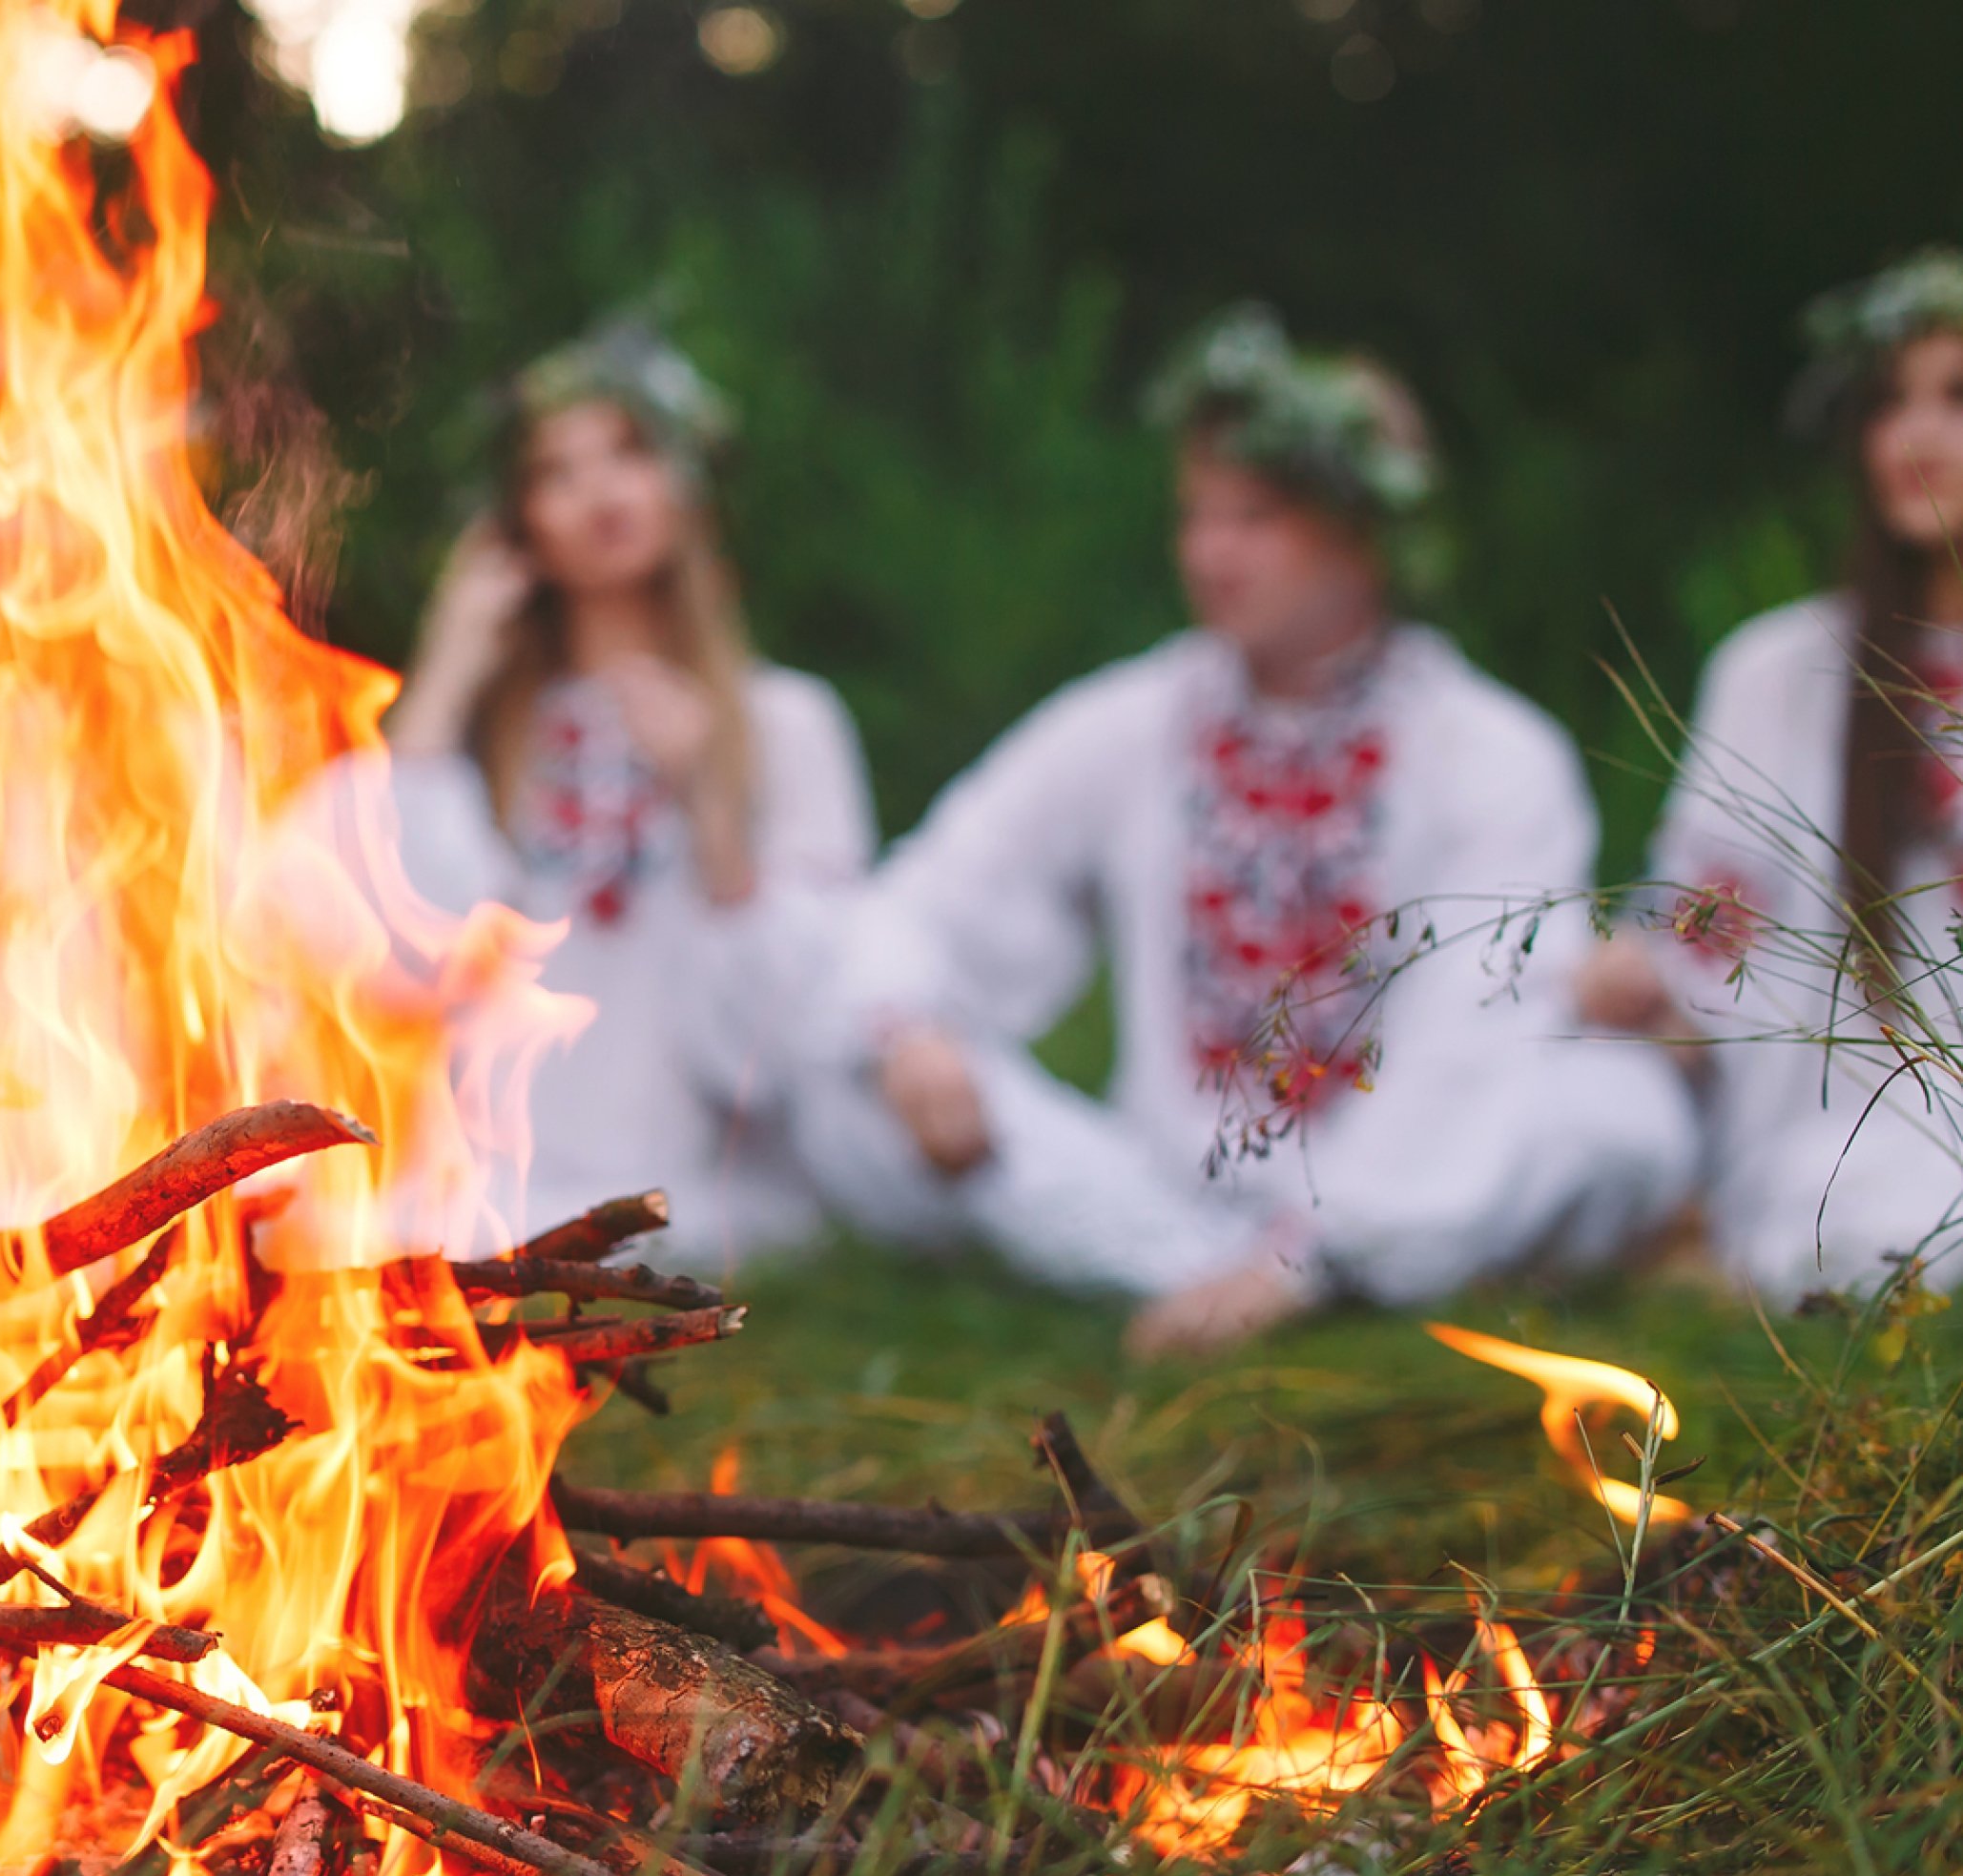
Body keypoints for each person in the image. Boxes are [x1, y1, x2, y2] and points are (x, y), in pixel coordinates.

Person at [798, 307, 1694, 1357]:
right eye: (1195, 515)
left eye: (1255, 515)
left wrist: (1311, 1248)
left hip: (1410, 1171)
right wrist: (913, 1037)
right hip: (1161, 1189)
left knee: (1625, 1117)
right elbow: (933, 890)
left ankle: (1341, 1268)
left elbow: (1469, 1034)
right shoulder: (1130, 719)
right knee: (847, 1084)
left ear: (1366, 528)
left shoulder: (1492, 750)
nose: (1210, 551)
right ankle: (1226, 1272)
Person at [382, 322, 877, 1265]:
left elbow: (798, 1035)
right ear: (519, 522)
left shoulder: (786, 721)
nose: (600, 492)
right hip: (500, 1159)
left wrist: (710, 808)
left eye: (628, 455)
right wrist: (447, 665)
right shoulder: (496, 730)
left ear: (684, 482)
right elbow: (397, 939)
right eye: (556, 473)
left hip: (697, 1165)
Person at [1581, 252, 1963, 1302]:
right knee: (1900, 1229)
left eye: (1956, 398)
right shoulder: (1783, 671)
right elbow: (1710, 915)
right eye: (1889, 405)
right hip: (1857, 1123)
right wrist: (1645, 964)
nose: (1916, 437)